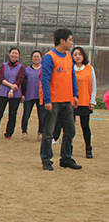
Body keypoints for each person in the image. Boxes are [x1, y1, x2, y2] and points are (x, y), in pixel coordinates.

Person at [40, 28, 80, 171]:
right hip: (54, 101)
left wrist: (75, 94)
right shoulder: (49, 57)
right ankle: (46, 160)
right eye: (70, 40)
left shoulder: (68, 55)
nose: (72, 42)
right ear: (62, 41)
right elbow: (45, 79)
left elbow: (72, 75)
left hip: (67, 100)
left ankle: (66, 159)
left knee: (70, 130)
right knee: (49, 133)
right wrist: (47, 100)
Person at [0, 47, 26, 140]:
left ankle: (8, 134)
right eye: (13, 53)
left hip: (16, 94)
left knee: (12, 115)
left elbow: (20, 79)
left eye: (16, 53)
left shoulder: (21, 67)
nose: (14, 55)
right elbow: (0, 78)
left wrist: (13, 89)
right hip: (2, 93)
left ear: (18, 55)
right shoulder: (3, 66)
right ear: (9, 54)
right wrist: (10, 85)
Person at [67, 47, 96, 158]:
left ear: (84, 56)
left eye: (80, 54)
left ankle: (88, 149)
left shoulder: (89, 69)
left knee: (85, 127)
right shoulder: (70, 69)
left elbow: (93, 86)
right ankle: (68, 149)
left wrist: (92, 101)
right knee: (70, 127)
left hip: (84, 102)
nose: (78, 56)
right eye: (75, 54)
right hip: (71, 103)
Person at [21, 50, 44, 140]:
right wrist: (23, 94)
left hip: (41, 96)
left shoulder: (44, 69)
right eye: (34, 56)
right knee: (26, 114)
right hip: (29, 95)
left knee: (41, 116)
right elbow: (23, 83)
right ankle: (24, 131)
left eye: (38, 56)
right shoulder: (27, 70)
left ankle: (40, 132)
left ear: (41, 58)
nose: (36, 58)